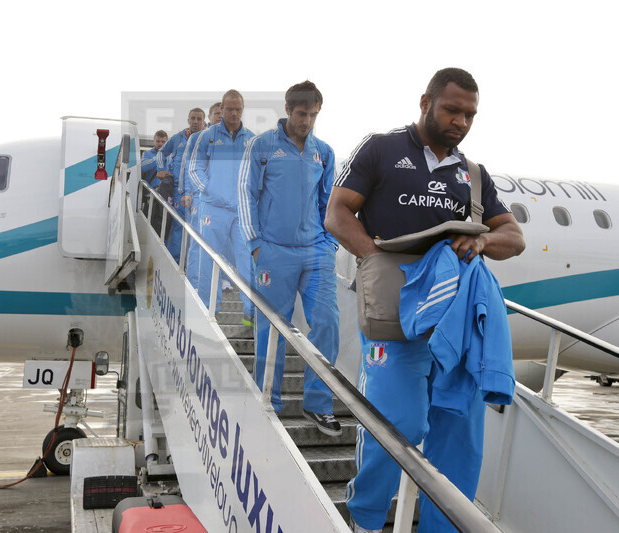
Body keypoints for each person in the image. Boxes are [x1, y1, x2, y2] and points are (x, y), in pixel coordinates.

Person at [325, 67, 525, 533]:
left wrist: (480, 243)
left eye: (470, 114)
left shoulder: (472, 175)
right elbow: (337, 212)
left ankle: (443, 528)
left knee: (458, 434)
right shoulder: (381, 148)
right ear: (425, 102)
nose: (461, 121)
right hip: (392, 311)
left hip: (451, 320)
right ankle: (367, 517)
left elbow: (512, 236)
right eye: (452, 109)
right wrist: (375, 259)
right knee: (398, 423)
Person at [238, 80, 341, 436]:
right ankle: (269, 402)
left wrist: (331, 244)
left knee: (327, 323)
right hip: (274, 252)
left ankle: (318, 404)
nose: (307, 121)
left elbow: (329, 202)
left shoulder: (323, 152)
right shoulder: (262, 145)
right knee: (272, 327)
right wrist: (255, 244)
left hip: (316, 252)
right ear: (288, 109)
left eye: (313, 114)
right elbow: (246, 193)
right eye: (302, 113)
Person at [185, 90, 256, 325]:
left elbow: (257, 175)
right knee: (209, 259)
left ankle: (250, 314)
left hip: (240, 212)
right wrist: (209, 190)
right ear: (221, 110)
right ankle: (208, 309)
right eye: (229, 109)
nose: (234, 113)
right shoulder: (207, 137)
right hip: (213, 209)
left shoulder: (252, 139)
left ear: (242, 110)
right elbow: (194, 168)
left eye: (238, 109)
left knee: (247, 260)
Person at [156, 109, 206, 262]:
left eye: (199, 119)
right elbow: (160, 153)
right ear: (188, 120)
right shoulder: (178, 138)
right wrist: (161, 168)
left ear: (204, 121)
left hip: (199, 194)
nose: (196, 122)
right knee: (178, 227)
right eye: (193, 118)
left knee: (199, 232)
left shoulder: (207, 138)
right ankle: (176, 263)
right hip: (179, 191)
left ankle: (193, 266)